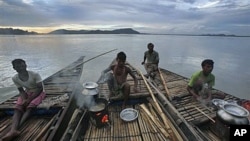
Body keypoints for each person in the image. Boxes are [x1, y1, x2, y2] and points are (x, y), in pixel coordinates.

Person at [1, 59, 46, 141]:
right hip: (27, 92)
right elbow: (21, 91)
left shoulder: (34, 74)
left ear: (25, 65)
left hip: (38, 93)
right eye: (18, 66)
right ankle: (13, 130)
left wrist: (29, 100)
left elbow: (40, 88)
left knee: (29, 107)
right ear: (14, 68)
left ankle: (15, 129)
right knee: (18, 108)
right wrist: (25, 99)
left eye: (22, 65)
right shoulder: (15, 78)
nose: (21, 67)